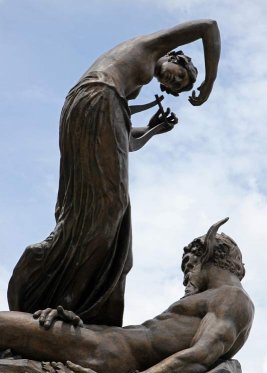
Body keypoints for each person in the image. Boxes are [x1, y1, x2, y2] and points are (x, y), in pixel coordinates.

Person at [8, 20, 221, 327]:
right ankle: (62, 297)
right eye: (180, 77)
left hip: (90, 106)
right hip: (96, 99)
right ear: (175, 57)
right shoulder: (150, 46)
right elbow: (209, 27)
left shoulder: (125, 91)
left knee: (111, 223)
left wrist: (153, 130)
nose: (173, 83)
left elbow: (125, 142)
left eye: (176, 87)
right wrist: (208, 84)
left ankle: (66, 293)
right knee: (111, 207)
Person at [0, 219, 254, 373]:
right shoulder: (217, 298)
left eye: (188, 266)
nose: (186, 277)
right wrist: (81, 323)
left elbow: (196, 359)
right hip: (101, 341)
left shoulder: (231, 298)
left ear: (207, 252)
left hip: (106, 354)